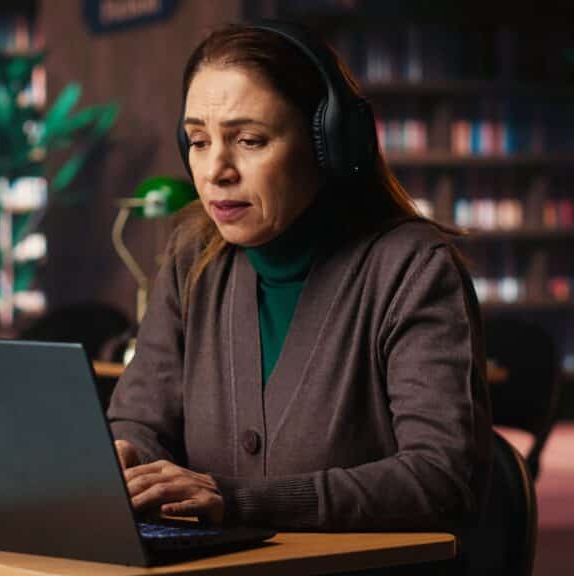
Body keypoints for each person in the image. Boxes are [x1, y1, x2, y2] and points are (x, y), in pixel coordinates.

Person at [107, 21, 492, 532]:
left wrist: (238, 501)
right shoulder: (193, 255)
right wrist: (128, 462)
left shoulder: (412, 268)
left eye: (248, 139)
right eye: (199, 141)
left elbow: (440, 478)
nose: (216, 169)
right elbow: (140, 420)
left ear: (328, 143)